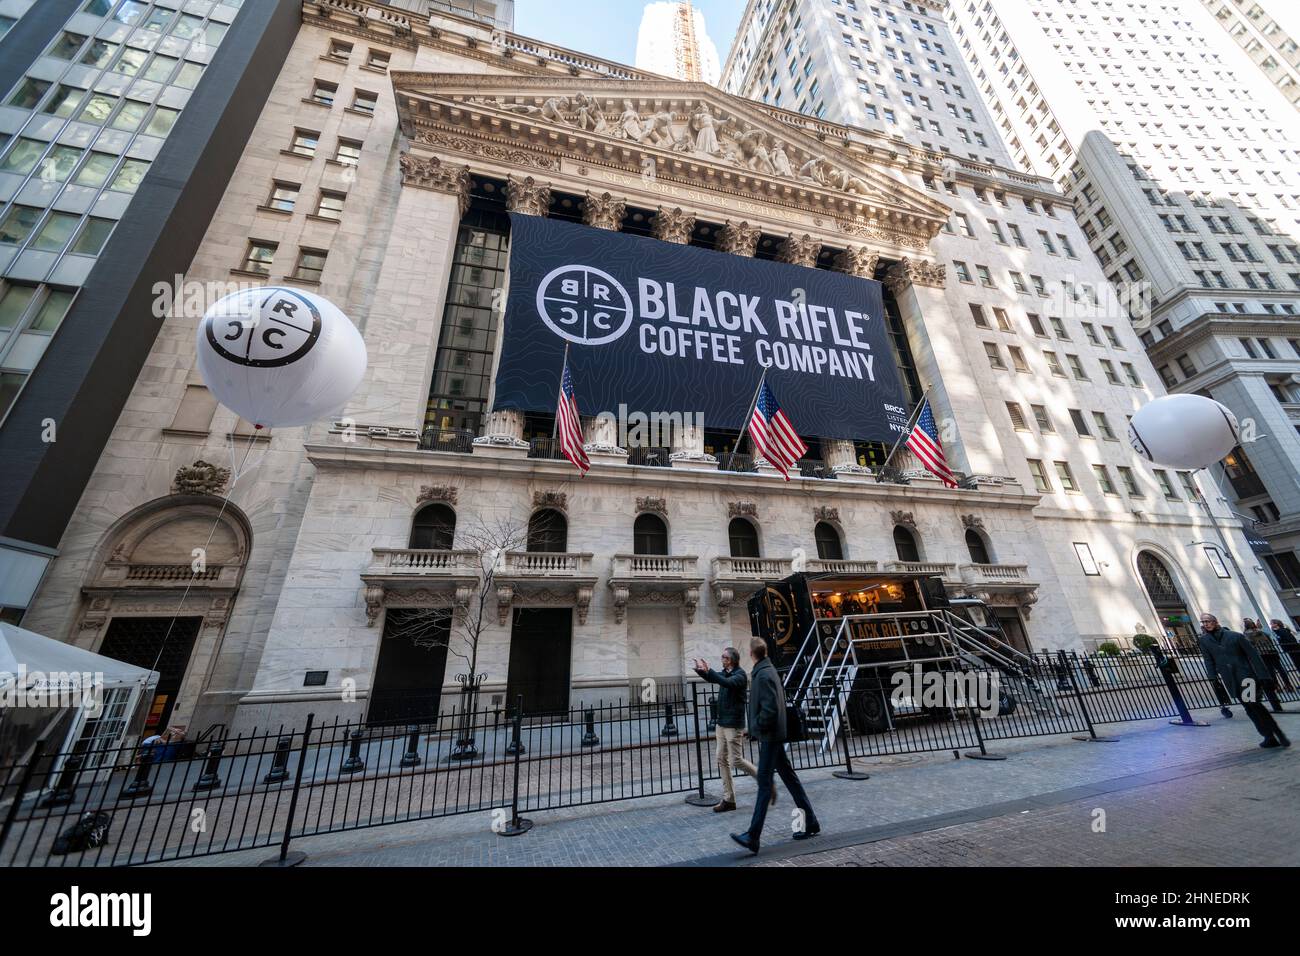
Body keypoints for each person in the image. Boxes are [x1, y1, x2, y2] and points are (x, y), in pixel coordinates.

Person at [729, 637, 821, 855]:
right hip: (773, 735)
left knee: (763, 783)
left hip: (771, 736)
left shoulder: (763, 674)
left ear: (752, 654)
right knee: (789, 778)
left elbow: (769, 709)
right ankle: (812, 822)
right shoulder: (767, 671)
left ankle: (753, 836)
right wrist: (754, 728)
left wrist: (757, 727)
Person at [691, 649, 767, 813]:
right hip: (722, 723)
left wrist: (709, 671)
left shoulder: (740, 676)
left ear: (732, 660)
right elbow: (714, 678)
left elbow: (726, 682)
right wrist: (701, 671)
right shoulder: (726, 673)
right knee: (721, 758)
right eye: (722, 656)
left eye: (724, 657)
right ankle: (729, 799)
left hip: (733, 724)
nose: (722, 659)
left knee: (736, 760)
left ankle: (763, 778)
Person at [1198, 614, 1290, 749]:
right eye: (1203, 622)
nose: (1206, 624)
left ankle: (1277, 734)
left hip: (1246, 676)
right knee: (1249, 708)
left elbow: (1254, 656)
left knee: (1254, 705)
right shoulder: (1204, 641)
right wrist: (1212, 677)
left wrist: (1264, 676)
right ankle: (1268, 736)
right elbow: (1208, 659)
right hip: (1230, 679)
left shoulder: (1235, 636)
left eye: (1208, 621)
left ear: (1215, 622)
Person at [1242, 619, 1288, 709]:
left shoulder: (1247, 634)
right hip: (1272, 651)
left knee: (1270, 670)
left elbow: (1250, 645)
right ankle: (1288, 684)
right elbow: (1270, 640)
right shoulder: (1261, 631)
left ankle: (1276, 686)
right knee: (1280, 668)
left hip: (1262, 654)